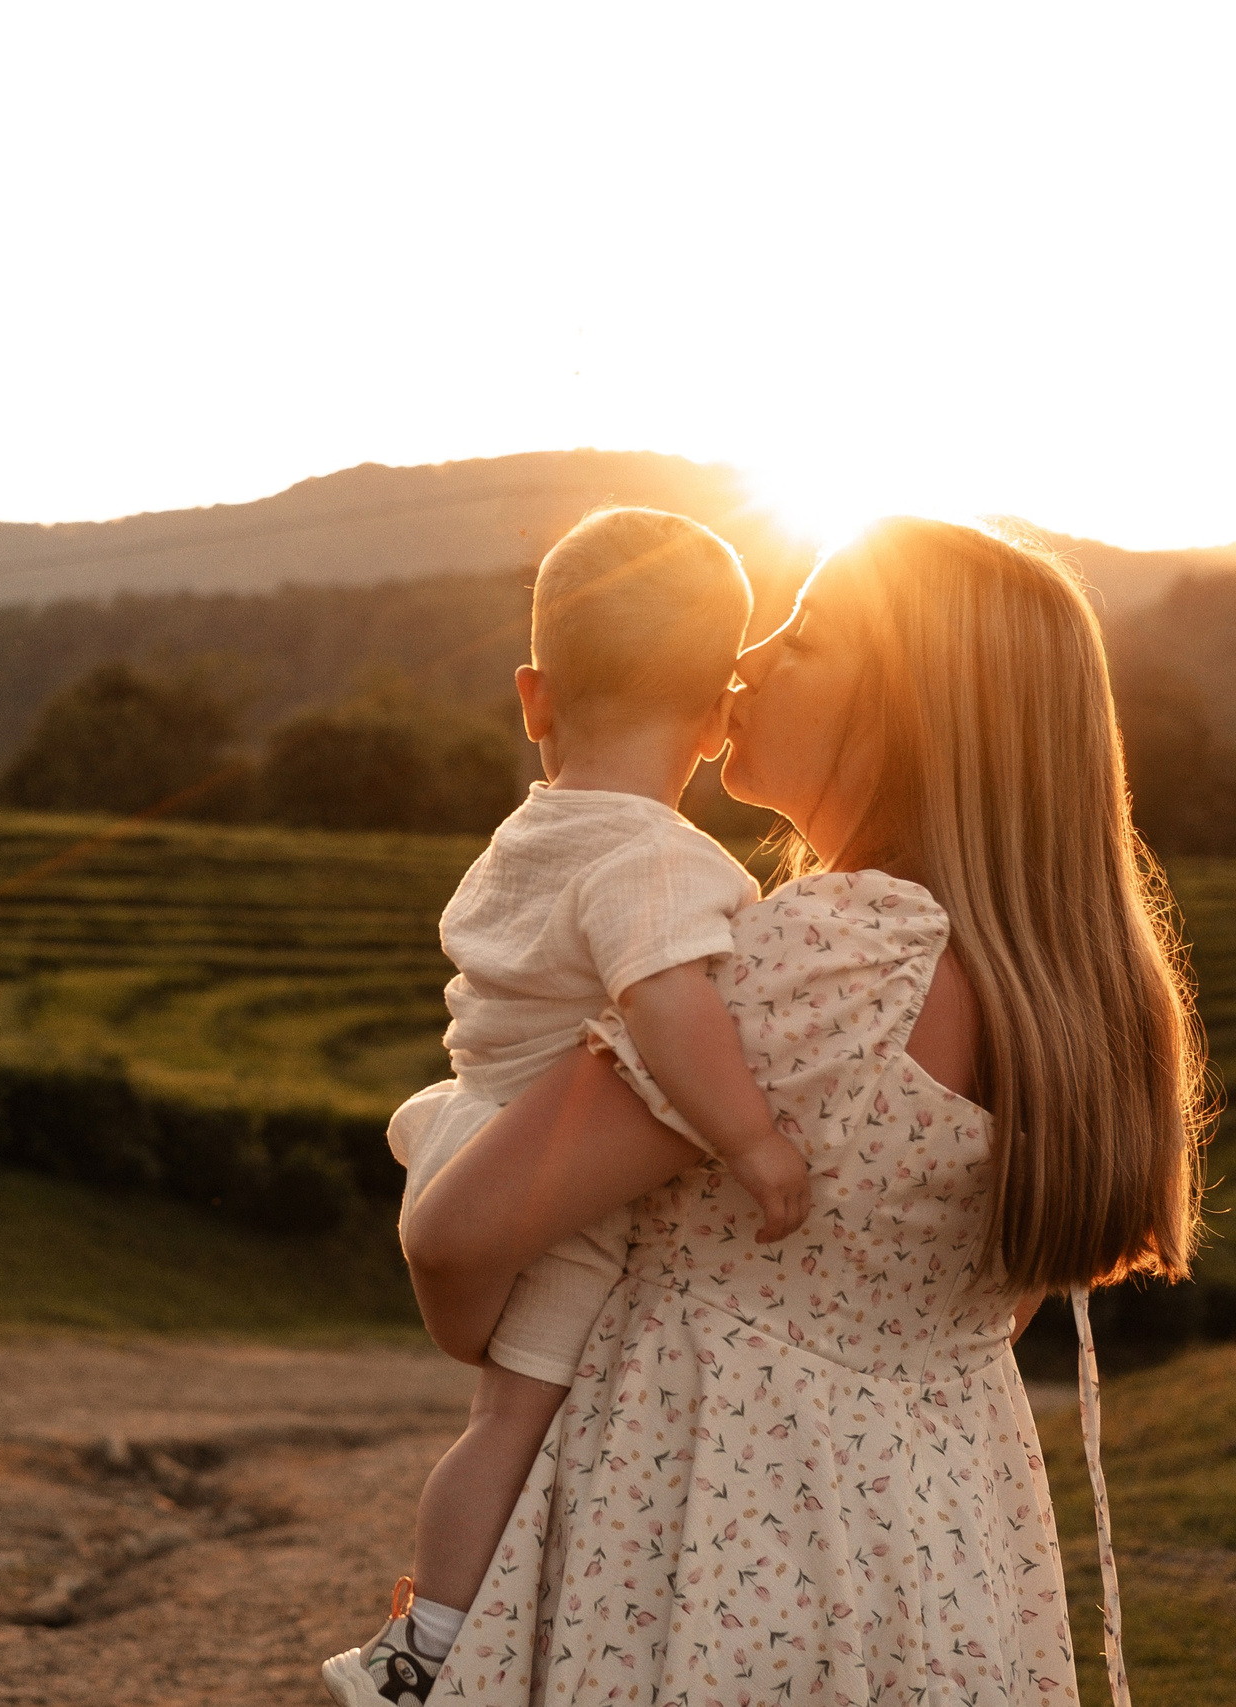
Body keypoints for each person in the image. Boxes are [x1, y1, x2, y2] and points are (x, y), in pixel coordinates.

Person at [399, 517, 1205, 1706]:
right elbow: (985, 1302)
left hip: (711, 1540)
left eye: (804, 635)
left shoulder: (841, 955)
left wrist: (496, 1346)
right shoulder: (1070, 996)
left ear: (909, 709)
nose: (747, 658)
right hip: (940, 1555)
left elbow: (455, 1232)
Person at [325, 507, 812, 1707]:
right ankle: (424, 1648)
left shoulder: (527, 834)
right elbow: (666, 1009)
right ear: (717, 719)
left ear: (533, 699)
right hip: (542, 1173)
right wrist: (752, 1140)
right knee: (511, 1418)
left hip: (466, 1117)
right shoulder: (660, 860)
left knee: (494, 1413)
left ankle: (446, 1630)